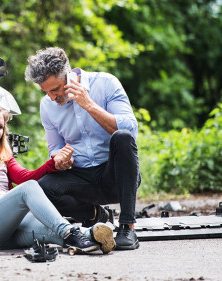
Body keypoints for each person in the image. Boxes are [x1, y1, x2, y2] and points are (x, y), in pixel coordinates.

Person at [0, 103, 115, 254]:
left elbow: (25, 177)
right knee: (29, 189)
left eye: (1, 127)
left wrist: (52, 164)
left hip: (7, 226)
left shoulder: (3, 158)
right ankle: (72, 234)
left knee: (49, 227)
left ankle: (92, 236)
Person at [25, 47, 141, 250]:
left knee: (122, 137)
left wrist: (88, 104)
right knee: (41, 188)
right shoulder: (47, 105)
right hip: (81, 179)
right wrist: (60, 159)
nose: (52, 97)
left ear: (70, 77)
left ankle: (127, 226)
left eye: (55, 89)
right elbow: (55, 148)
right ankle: (94, 214)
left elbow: (130, 130)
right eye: (46, 92)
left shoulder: (105, 83)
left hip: (114, 175)